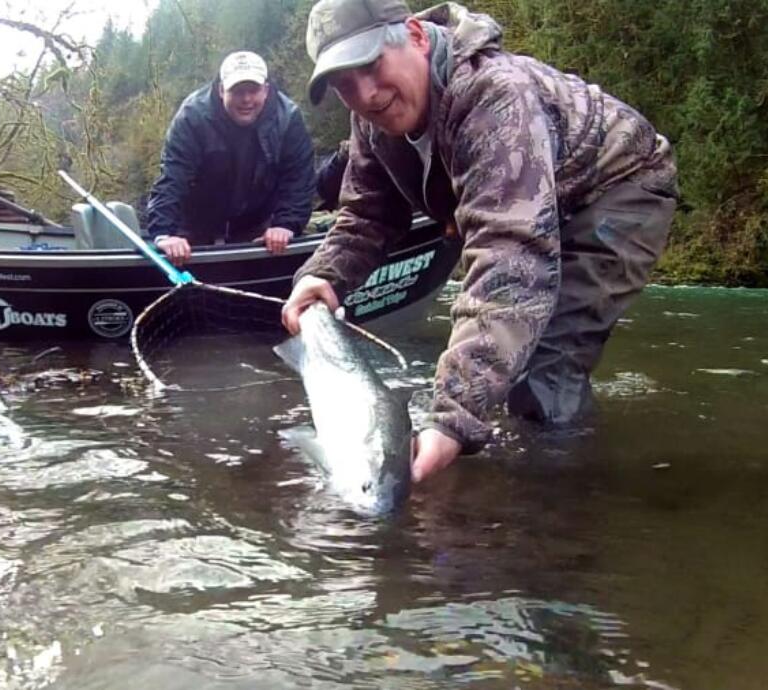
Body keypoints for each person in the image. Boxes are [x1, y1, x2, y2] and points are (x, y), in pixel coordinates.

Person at [283, 0, 679, 483]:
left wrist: (452, 419)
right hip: (530, 204)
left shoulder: (494, 97)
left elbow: (510, 263)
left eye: (371, 65)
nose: (365, 93)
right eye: (345, 83)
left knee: (546, 366)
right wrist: (323, 276)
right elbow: (368, 214)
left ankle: (557, 510)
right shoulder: (372, 120)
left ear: (416, 36)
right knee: (507, 356)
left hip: (617, 190)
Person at [146, 51, 316, 266]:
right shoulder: (192, 117)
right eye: (237, 91)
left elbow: (299, 178)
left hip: (257, 228)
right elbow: (172, 176)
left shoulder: (288, 118)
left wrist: (287, 224)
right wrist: (163, 233)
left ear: (266, 90)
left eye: (253, 90)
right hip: (195, 227)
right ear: (221, 90)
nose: (246, 99)